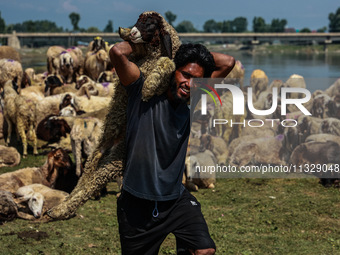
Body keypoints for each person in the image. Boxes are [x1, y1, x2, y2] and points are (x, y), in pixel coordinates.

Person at [109, 41, 235, 255]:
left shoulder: (191, 99)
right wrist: (166, 52)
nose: (189, 83)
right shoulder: (142, 94)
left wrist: (183, 50)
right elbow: (117, 52)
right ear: (171, 71)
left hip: (175, 200)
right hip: (137, 205)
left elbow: (228, 62)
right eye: (185, 74)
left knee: (204, 250)